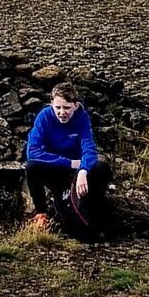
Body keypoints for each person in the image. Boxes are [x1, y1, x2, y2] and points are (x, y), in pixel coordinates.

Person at [24, 82, 109, 232]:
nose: (62, 112)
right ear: (51, 104)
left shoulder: (81, 117)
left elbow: (89, 148)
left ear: (75, 105)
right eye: (57, 107)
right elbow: (33, 151)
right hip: (56, 169)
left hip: (76, 172)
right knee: (32, 167)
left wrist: (83, 170)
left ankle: (94, 205)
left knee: (101, 167)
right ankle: (41, 214)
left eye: (67, 108)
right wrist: (69, 163)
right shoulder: (44, 117)